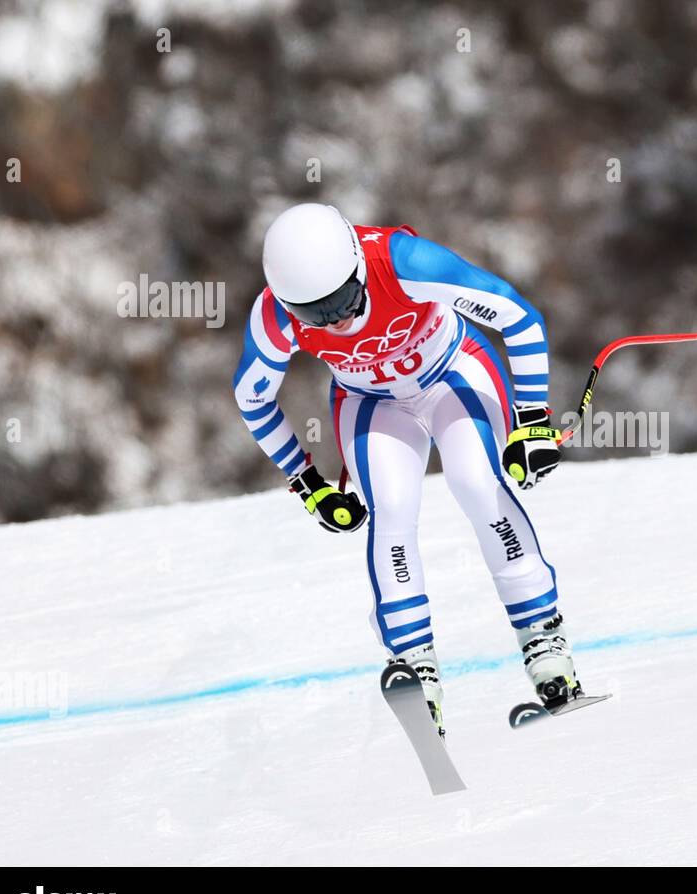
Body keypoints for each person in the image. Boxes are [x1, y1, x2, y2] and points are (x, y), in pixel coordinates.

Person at [233, 203, 582, 733]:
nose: (337, 321)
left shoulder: (404, 262)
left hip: (452, 374)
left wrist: (531, 419)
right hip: (371, 401)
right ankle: (414, 666)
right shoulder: (273, 318)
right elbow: (252, 399)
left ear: (357, 267)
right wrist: (307, 482)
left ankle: (544, 640)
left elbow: (518, 317)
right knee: (391, 512)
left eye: (344, 301)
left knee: (476, 485)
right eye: (315, 314)